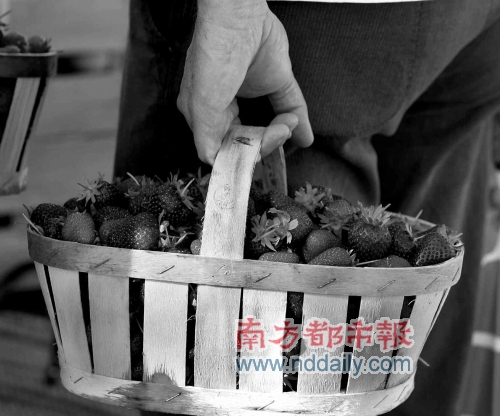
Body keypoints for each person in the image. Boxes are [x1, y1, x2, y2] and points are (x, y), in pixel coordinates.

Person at [114, 0, 500, 415]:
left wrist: (234, 14)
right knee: (402, 330)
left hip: (313, 23)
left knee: (249, 369)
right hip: (468, 23)